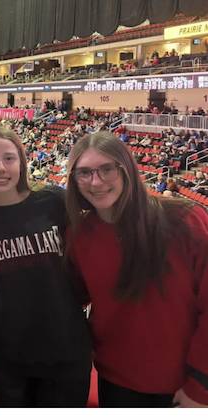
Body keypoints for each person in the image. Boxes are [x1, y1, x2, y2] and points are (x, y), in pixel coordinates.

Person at [65, 131, 208, 408]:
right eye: (84, 173)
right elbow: (74, 296)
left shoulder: (185, 220)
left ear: (126, 169)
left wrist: (201, 387)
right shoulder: (79, 235)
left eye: (107, 169)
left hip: (184, 388)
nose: (96, 182)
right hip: (116, 383)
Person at [0, 126, 92, 407]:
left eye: (9, 158)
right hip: (6, 355)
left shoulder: (54, 202)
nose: (0, 168)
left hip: (65, 349)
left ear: (22, 162)